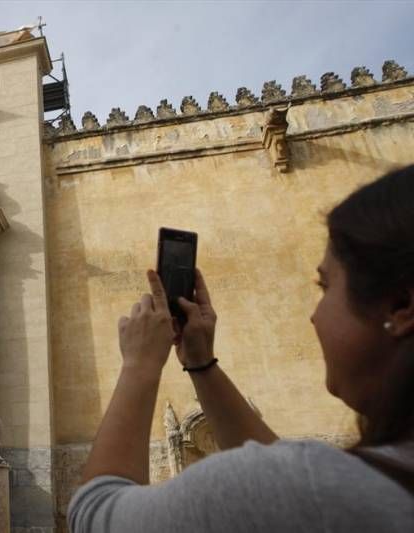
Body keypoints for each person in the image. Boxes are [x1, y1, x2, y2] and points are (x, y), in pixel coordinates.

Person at [69, 166, 414, 532]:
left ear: (401, 307)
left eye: (325, 286)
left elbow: (94, 514)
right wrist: (202, 364)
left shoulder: (320, 492)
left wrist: (139, 365)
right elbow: (280, 473)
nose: (315, 315)